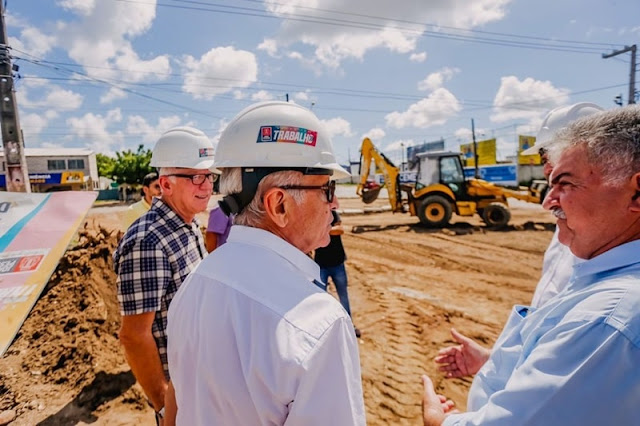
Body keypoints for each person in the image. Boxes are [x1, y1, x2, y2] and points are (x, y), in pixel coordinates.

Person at [422, 105, 640, 425]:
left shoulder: (606, 318)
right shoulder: (595, 259)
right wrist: (496, 362)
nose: (547, 201)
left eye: (565, 182)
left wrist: (438, 421)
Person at [166, 101, 366, 425]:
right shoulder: (319, 324)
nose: (335, 203)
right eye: (327, 189)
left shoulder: (194, 284)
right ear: (279, 204)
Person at [436, 102, 604, 379]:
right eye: (546, 160)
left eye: (563, 172)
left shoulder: (617, 268)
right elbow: (544, 323)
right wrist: (494, 361)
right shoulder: (565, 231)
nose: (547, 169)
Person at [113, 126, 215, 424]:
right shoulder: (147, 241)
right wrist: (164, 407)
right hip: (180, 401)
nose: (207, 185)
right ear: (165, 184)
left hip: (202, 386)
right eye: (196, 176)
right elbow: (134, 335)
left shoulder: (189, 226)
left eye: (209, 176)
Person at [314, 210, 361, 338]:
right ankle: (321, 328)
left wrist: (321, 231)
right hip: (320, 265)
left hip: (337, 263)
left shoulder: (332, 213)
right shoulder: (313, 215)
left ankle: (349, 325)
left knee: (343, 296)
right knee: (319, 298)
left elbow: (340, 229)